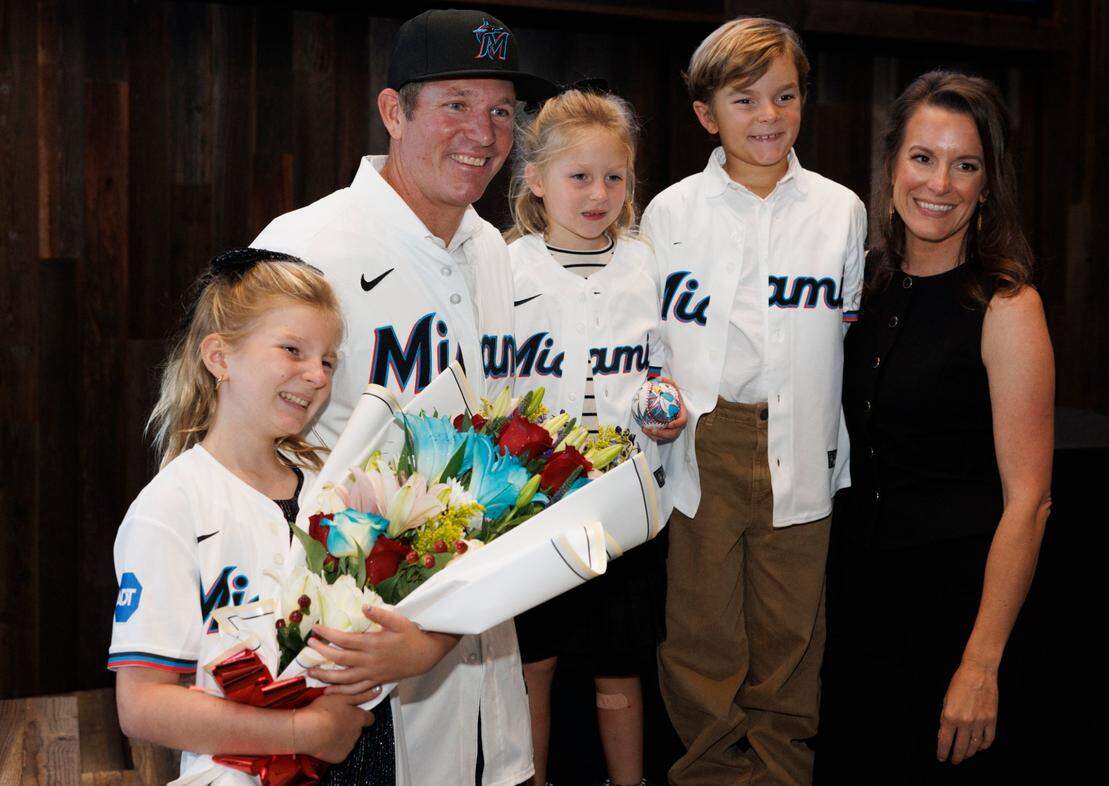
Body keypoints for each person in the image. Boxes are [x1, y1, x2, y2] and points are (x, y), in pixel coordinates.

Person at [252, 9, 556, 786]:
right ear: (395, 111)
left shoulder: (492, 249)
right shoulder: (308, 246)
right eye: (456, 104)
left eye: (499, 112)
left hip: (474, 636)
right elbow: (240, 455)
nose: (483, 135)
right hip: (346, 650)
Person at [642, 17, 867, 785]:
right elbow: (653, 345)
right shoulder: (669, 213)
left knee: (791, 634)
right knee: (702, 635)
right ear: (708, 114)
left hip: (802, 442)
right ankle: (707, 773)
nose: (769, 116)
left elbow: (846, 331)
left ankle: (780, 773)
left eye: (785, 96)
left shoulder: (841, 210)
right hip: (704, 442)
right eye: (746, 100)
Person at [816, 70, 1054, 785]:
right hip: (856, 612)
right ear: (892, 164)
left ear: (988, 184)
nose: (940, 183)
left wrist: (980, 664)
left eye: (966, 164)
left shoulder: (1007, 308)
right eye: (923, 157)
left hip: (958, 615)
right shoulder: (863, 283)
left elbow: (1030, 503)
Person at [108, 249, 383, 783]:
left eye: (328, 360)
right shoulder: (172, 508)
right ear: (219, 357)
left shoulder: (335, 484)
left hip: (371, 756)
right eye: (292, 350)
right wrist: (304, 734)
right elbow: (142, 705)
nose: (316, 375)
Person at [505, 87, 686, 786]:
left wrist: (665, 407)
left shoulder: (648, 266)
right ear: (537, 182)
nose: (598, 193)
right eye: (579, 177)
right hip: (530, 504)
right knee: (534, 667)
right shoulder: (504, 266)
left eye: (615, 177)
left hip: (624, 505)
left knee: (620, 668)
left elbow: (663, 370)